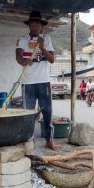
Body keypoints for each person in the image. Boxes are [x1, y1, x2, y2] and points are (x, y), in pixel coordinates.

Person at [16, 11, 60, 150]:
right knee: (27, 112)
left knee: (47, 111)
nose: (34, 27)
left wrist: (41, 47)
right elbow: (18, 58)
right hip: (27, 82)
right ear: (28, 26)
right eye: (32, 24)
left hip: (43, 81)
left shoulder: (46, 39)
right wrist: (25, 61)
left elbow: (52, 59)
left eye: (37, 24)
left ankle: (49, 140)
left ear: (41, 26)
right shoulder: (22, 40)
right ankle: (27, 140)